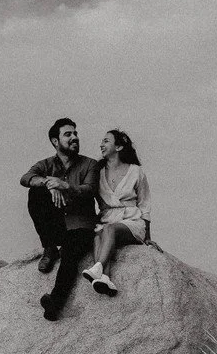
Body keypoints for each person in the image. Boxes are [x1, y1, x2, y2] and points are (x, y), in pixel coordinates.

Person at [20, 117, 100, 320]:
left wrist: (64, 186)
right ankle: (49, 248)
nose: (74, 137)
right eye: (68, 134)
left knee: (71, 256)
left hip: (81, 225)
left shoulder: (90, 164)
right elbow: (25, 178)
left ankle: (55, 302)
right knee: (35, 193)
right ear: (55, 141)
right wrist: (48, 183)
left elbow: (89, 190)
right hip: (57, 226)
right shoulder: (46, 164)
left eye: (75, 133)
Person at [83, 129, 151, 295]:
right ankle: (105, 278)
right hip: (107, 218)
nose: (101, 144)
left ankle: (98, 266)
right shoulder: (97, 173)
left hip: (132, 222)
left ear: (119, 147)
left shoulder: (136, 171)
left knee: (109, 229)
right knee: (97, 236)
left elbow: (145, 204)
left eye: (106, 141)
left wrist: (148, 237)